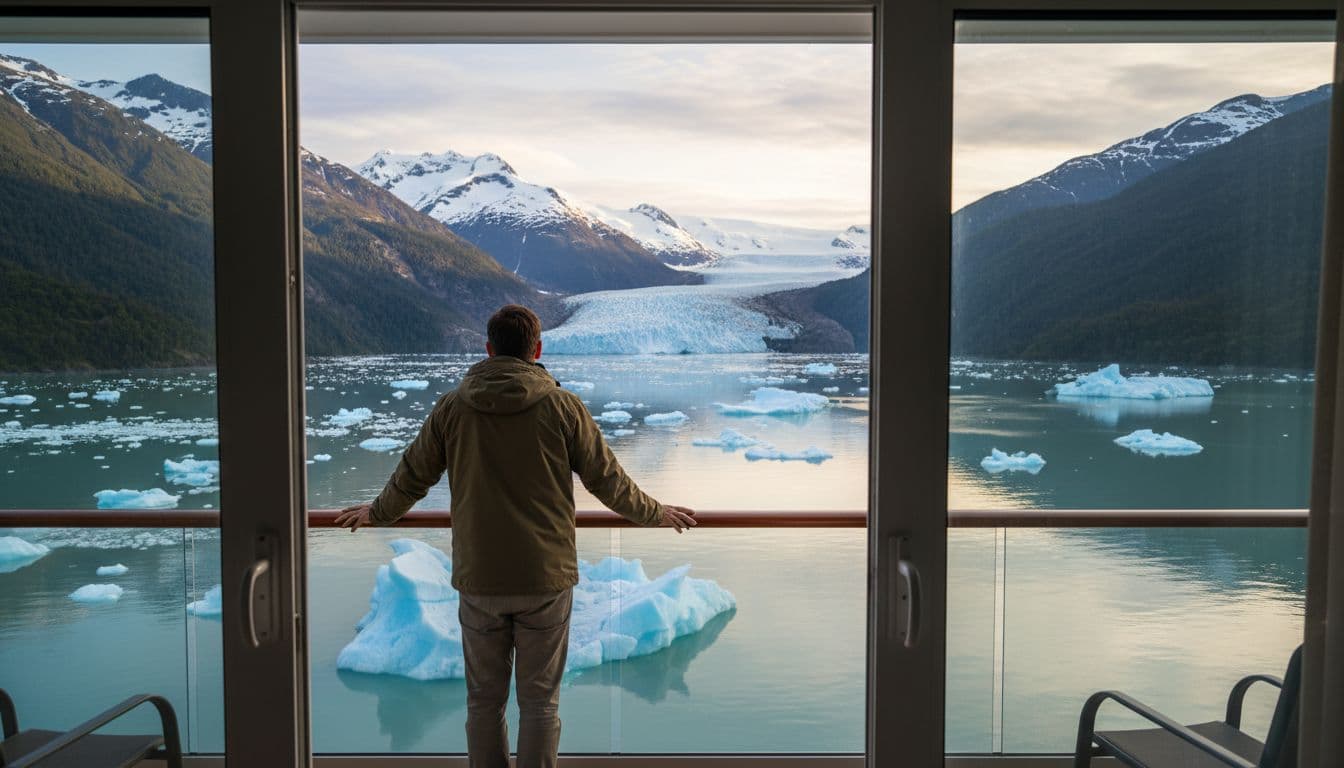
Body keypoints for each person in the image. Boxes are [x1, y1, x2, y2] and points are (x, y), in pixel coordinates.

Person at [334, 304, 696, 768]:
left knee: (484, 703)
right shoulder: (562, 406)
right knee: (540, 704)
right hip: (545, 578)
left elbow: (411, 479)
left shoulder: (453, 407)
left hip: (479, 578)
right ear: (537, 349)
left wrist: (376, 513)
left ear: (488, 350)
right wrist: (655, 513)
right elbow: (608, 482)